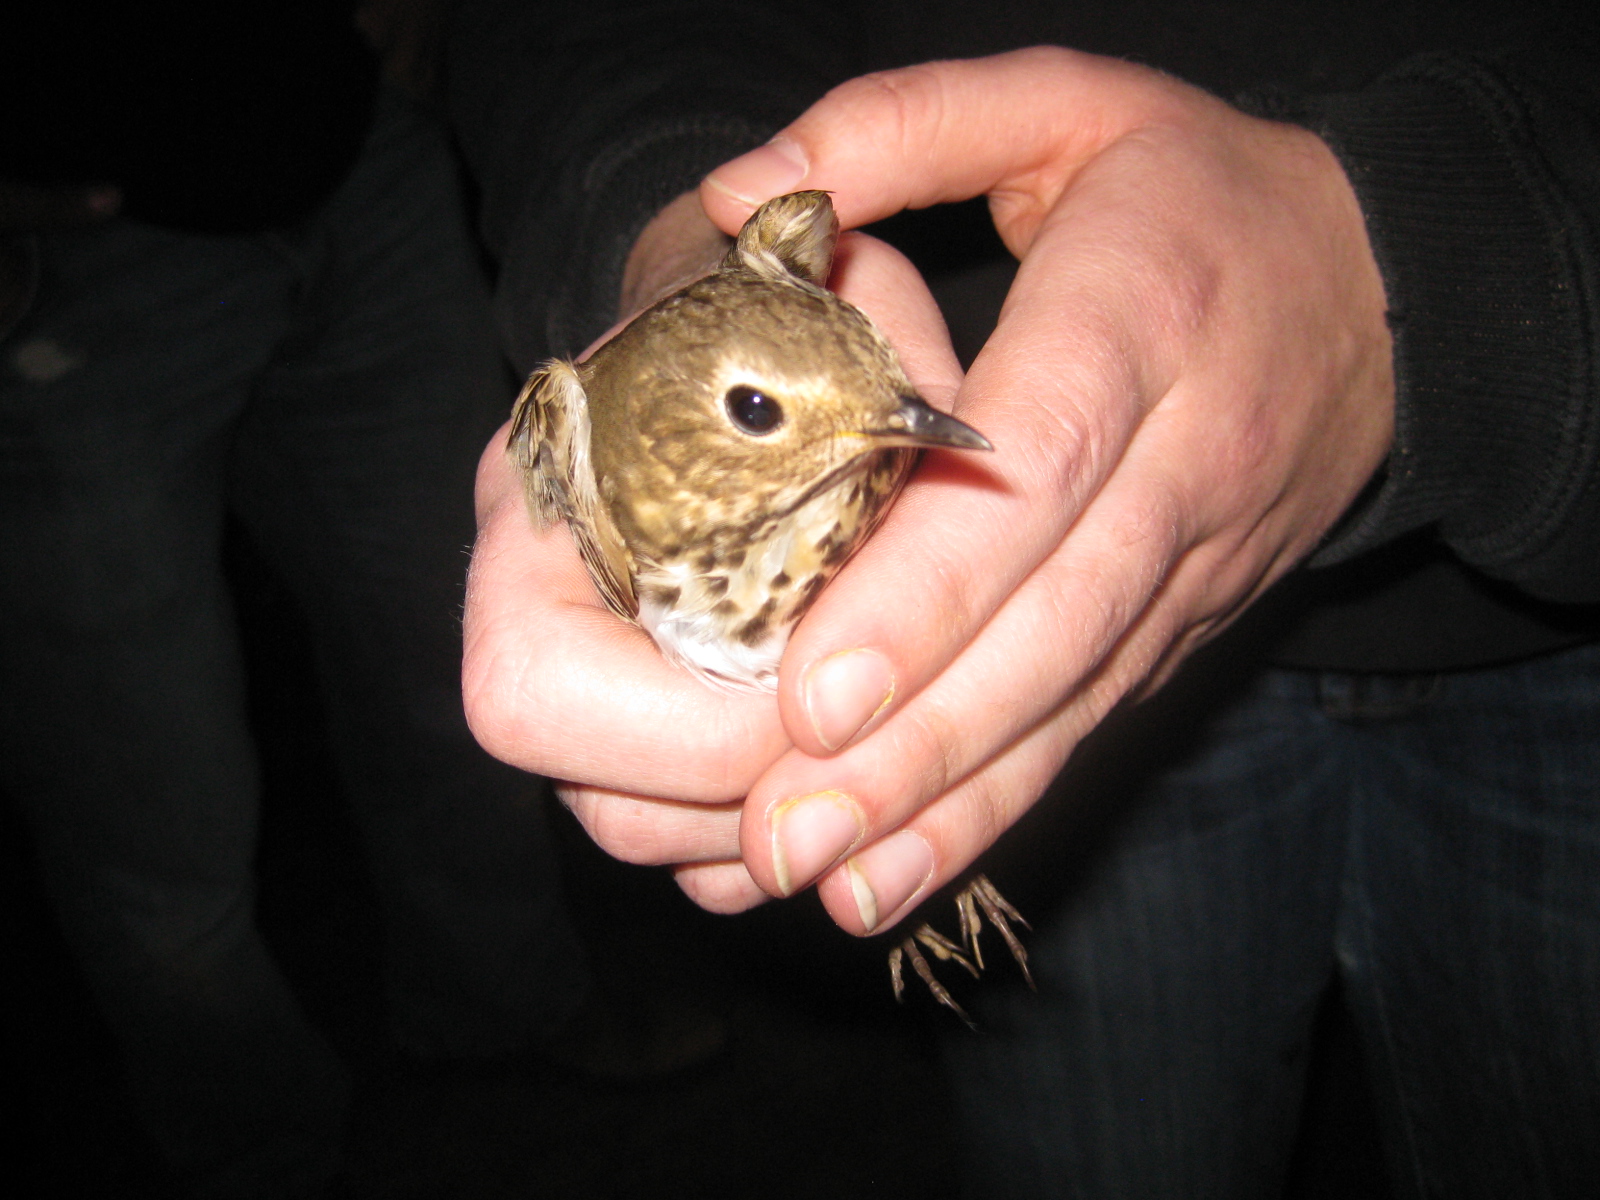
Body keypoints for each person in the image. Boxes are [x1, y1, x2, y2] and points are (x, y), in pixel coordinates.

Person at [449, 1, 1599, 1196]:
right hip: (1085, 712)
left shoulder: (864, 451)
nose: (894, 444)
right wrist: (659, 225)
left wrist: (1439, 270)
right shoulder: (643, 443)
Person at [2, 6, 595, 1196]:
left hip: (357, 146)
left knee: (466, 671)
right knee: (148, 810)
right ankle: (254, 1146)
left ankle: (505, 1013)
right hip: (62, 251)